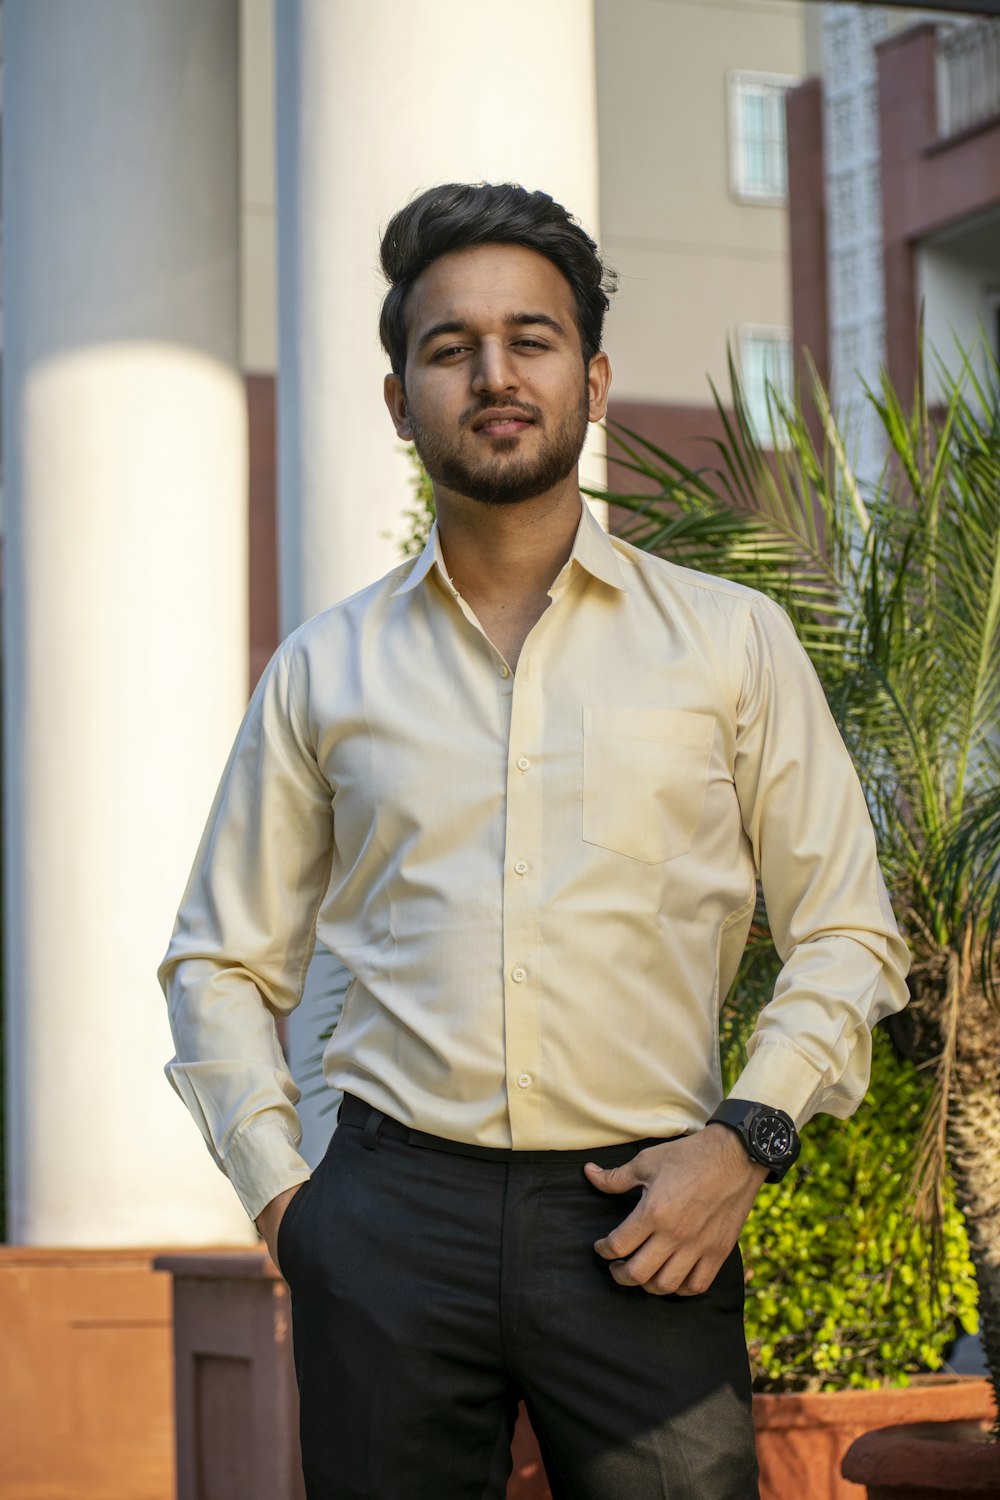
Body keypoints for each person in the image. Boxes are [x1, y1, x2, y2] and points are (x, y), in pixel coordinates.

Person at [159, 182, 910, 1500]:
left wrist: (747, 1142)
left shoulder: (731, 643)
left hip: (647, 1221)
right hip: (386, 1219)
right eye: (450, 348)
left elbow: (846, 933)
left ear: (595, 376)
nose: (494, 374)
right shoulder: (325, 669)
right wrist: (293, 1205)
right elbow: (218, 962)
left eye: (533, 338)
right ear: (401, 401)